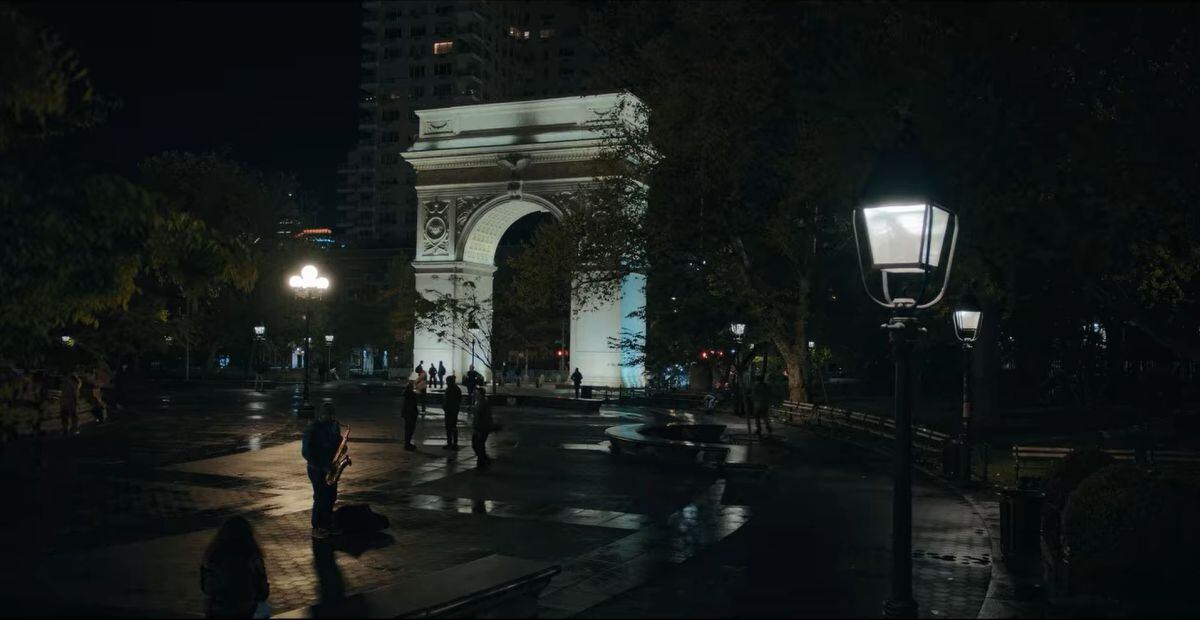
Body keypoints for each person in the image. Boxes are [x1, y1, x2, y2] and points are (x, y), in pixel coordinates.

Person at [200, 515, 270, 619]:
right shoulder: (252, 556)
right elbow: (262, 590)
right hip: (244, 609)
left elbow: (206, 587)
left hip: (218, 610)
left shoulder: (213, 556)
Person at [302, 402, 344, 539]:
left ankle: (327, 524)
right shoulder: (312, 428)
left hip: (331, 467)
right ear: (322, 415)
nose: (332, 418)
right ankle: (317, 526)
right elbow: (306, 452)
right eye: (329, 416)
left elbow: (338, 442)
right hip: (317, 469)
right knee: (320, 497)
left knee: (331, 497)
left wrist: (343, 446)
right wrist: (322, 465)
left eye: (333, 415)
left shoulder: (333, 425)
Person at [471, 386, 494, 468]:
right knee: (477, 445)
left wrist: (482, 429)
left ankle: (482, 461)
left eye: (476, 394)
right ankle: (484, 459)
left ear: (480, 394)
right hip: (477, 428)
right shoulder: (478, 403)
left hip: (481, 428)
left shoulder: (484, 404)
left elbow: (486, 418)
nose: (474, 395)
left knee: (478, 445)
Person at [442, 375, 461, 450]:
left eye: (447, 381)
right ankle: (452, 443)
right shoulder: (455, 389)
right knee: (451, 427)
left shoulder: (451, 389)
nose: (446, 383)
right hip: (452, 410)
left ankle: (452, 443)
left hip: (451, 410)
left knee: (451, 427)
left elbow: (448, 400)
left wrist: (446, 406)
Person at [401, 381, 419, 450]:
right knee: (410, 429)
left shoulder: (406, 394)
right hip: (411, 414)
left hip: (407, 414)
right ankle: (407, 444)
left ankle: (407, 443)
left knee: (408, 429)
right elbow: (414, 404)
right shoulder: (412, 395)